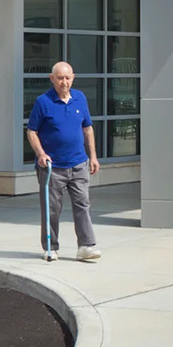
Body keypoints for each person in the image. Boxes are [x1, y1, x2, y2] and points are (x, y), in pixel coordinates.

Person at [25, 61, 101, 262]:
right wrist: (41, 154)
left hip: (78, 163)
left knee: (82, 205)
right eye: (59, 78)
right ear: (52, 79)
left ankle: (86, 246)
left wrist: (92, 156)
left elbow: (87, 128)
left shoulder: (80, 98)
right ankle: (51, 247)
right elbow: (32, 131)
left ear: (73, 78)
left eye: (67, 78)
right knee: (52, 209)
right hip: (52, 167)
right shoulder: (43, 102)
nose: (64, 82)